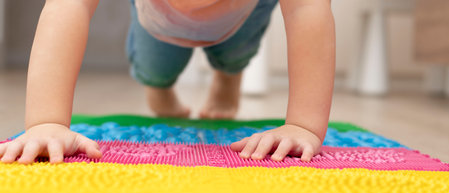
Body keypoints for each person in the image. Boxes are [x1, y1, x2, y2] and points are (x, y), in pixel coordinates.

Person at [0, 0, 335, 164]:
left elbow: (307, 8)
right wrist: (46, 121)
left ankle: (228, 77)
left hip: (241, 14)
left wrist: (304, 125)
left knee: (235, 53)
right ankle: (158, 88)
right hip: (160, 18)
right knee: (156, 68)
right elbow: (67, 5)